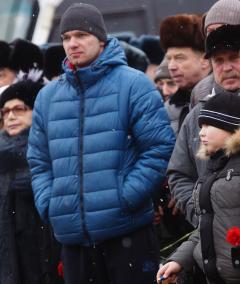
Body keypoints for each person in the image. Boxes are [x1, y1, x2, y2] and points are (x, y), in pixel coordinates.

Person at [27, 3, 175, 284]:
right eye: (67, 37)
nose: (73, 43)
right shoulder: (47, 98)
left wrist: (126, 197)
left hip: (127, 234)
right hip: (73, 239)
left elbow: (159, 147)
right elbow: (38, 161)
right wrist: (50, 204)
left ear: (101, 40)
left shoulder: (134, 85)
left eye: (81, 35)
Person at [157, 93, 240, 284]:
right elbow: (207, 227)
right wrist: (179, 260)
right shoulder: (213, 167)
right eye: (201, 127)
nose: (201, 133)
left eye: (208, 125)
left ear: (230, 126)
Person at [167, 0, 240, 228]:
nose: (226, 68)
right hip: (213, 243)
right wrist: (202, 214)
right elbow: (180, 172)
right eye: (218, 60)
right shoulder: (198, 110)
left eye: (234, 57)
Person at [0, 80, 62, 284]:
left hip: (45, 248)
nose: (10, 116)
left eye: (19, 108)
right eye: (5, 111)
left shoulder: (52, 147)